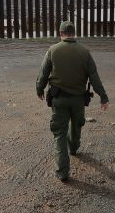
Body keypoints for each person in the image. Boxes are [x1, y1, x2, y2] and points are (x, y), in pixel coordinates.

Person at [36, 21, 109, 182]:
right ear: (74, 33)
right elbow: (94, 77)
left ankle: (63, 172)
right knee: (76, 125)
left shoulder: (52, 50)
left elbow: (43, 74)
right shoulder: (84, 52)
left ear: (60, 34)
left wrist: (39, 89)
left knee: (59, 133)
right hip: (78, 100)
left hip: (59, 99)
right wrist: (103, 97)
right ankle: (74, 149)